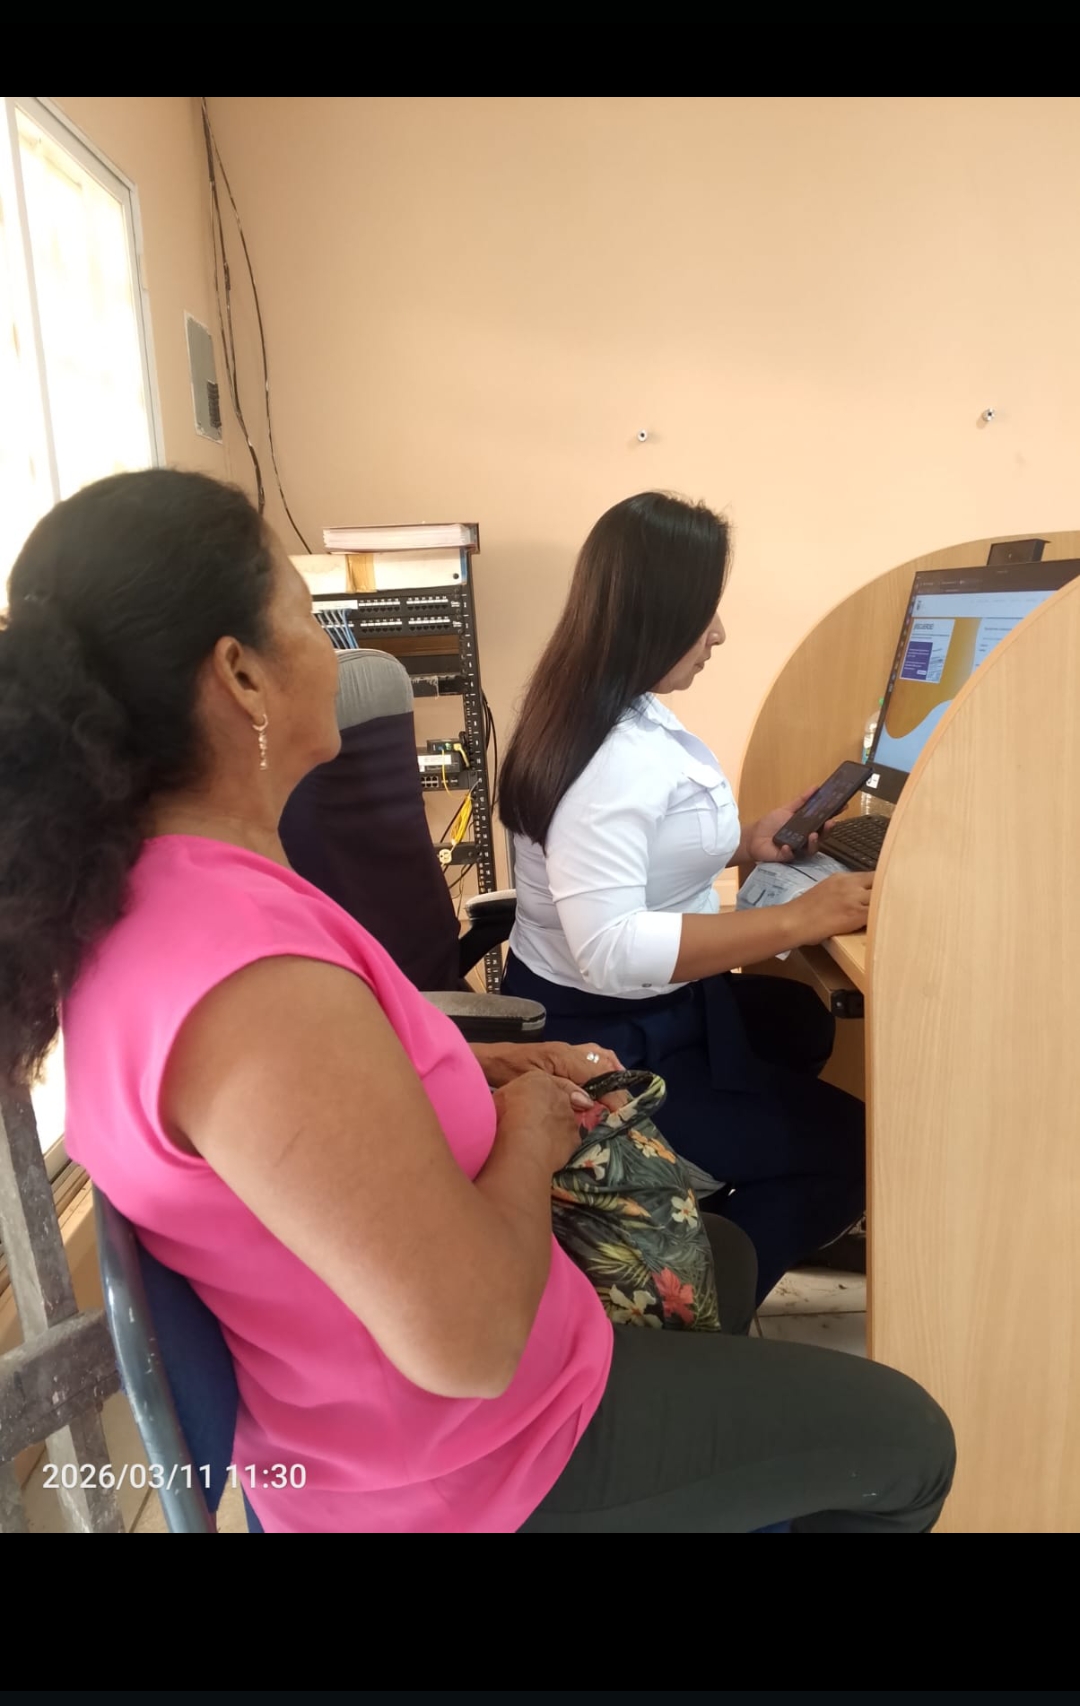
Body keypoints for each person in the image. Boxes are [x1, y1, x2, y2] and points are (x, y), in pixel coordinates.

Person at [0, 468, 954, 1532]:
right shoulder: (245, 985)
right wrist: (532, 1129)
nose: (339, 654)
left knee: (723, 1251)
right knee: (910, 1445)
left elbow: (323, 1110)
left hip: (431, 1404)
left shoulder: (173, 900)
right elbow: (468, 1344)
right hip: (465, 1468)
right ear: (242, 675)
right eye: (309, 618)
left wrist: (481, 1065)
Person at [499, 490, 870, 1303]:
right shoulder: (608, 762)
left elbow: (634, 857)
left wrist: (749, 844)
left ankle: (701, 1195)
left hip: (651, 1006)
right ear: (656, 613)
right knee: (854, 1151)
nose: (720, 633)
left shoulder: (602, 708)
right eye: (706, 612)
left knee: (801, 1022)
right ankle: (697, 1299)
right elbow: (609, 947)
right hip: (607, 1039)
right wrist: (799, 917)